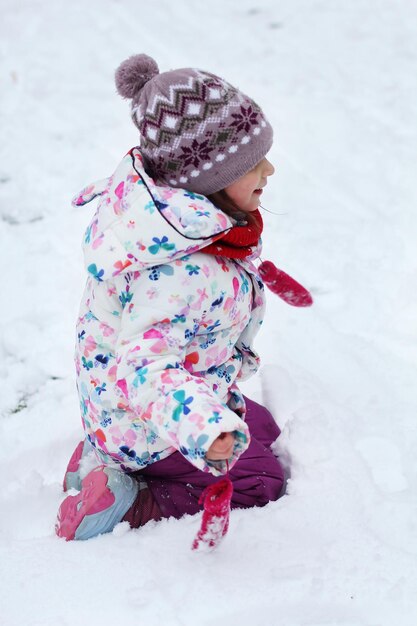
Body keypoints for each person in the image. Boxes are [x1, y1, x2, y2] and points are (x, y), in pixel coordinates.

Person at [55, 54, 285, 541]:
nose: (269, 169)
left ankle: (100, 455)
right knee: (262, 479)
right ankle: (131, 499)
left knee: (258, 428)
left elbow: (214, 285)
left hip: (132, 405)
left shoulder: (177, 225)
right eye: (251, 164)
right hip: (143, 419)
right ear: (208, 180)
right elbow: (144, 369)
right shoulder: (177, 272)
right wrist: (202, 428)